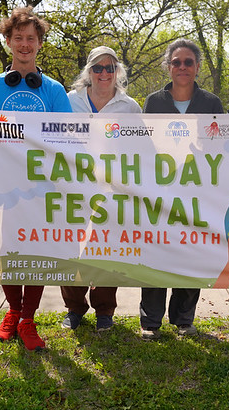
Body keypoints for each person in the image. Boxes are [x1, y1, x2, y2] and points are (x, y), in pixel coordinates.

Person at [0, 6, 71, 351]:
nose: (25, 44)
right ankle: (12, 312)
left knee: (38, 251)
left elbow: (68, 138)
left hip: (43, 187)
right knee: (7, 251)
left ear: (40, 43)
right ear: (8, 41)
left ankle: (28, 319)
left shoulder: (55, 91)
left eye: (31, 38)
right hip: (2, 187)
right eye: (19, 38)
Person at [139, 38, 225, 340]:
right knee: (156, 252)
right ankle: (150, 321)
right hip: (160, 193)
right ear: (168, 66)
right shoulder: (153, 102)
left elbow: (222, 147)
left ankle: (183, 319)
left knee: (192, 253)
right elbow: (143, 147)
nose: (183, 67)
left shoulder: (212, 103)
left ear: (198, 67)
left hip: (197, 193)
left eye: (189, 62)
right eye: (176, 62)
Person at [61, 45, 141, 331]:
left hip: (112, 191)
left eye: (110, 68)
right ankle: (74, 308)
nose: (104, 73)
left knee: (108, 249)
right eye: (98, 67)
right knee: (72, 248)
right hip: (72, 187)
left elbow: (140, 149)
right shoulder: (68, 101)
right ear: (89, 71)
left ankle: (104, 310)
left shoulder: (130, 107)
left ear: (117, 72)